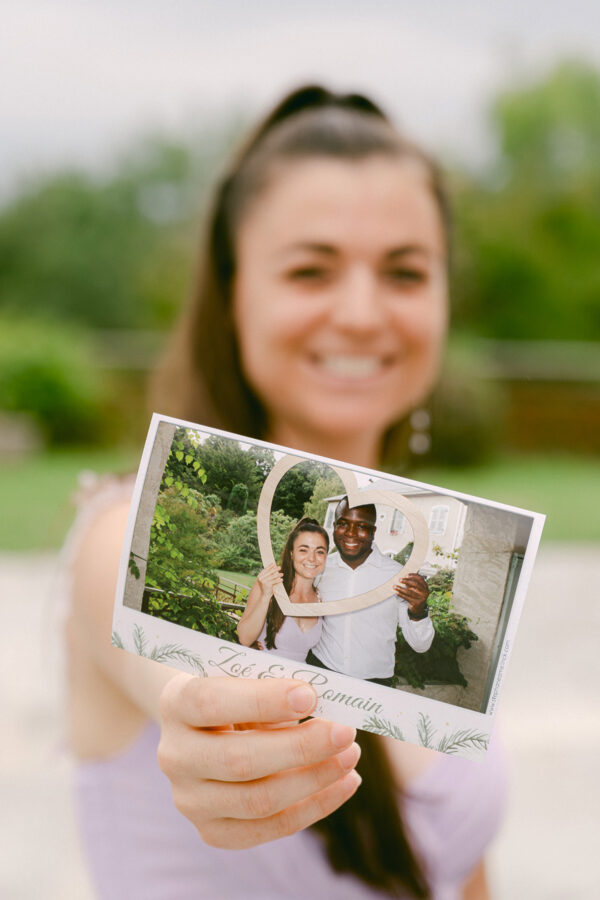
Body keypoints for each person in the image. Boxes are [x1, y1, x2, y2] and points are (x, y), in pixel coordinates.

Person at [66, 85, 506, 899]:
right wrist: (200, 730)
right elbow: (160, 675)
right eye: (311, 269)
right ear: (234, 294)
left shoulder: (433, 555)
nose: (362, 313)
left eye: (406, 271)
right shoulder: (124, 532)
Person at [307, 498, 433, 684]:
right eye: (343, 524)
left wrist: (419, 610)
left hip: (374, 684)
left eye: (361, 526)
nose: (350, 533)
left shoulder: (399, 575)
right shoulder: (320, 568)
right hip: (320, 670)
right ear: (334, 526)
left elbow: (421, 645)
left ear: (373, 532)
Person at [237, 517, 329, 662]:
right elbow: (244, 638)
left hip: (296, 679)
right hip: (260, 673)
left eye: (320, 551)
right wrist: (266, 596)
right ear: (292, 553)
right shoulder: (269, 584)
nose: (312, 558)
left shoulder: (323, 597)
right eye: (303, 550)